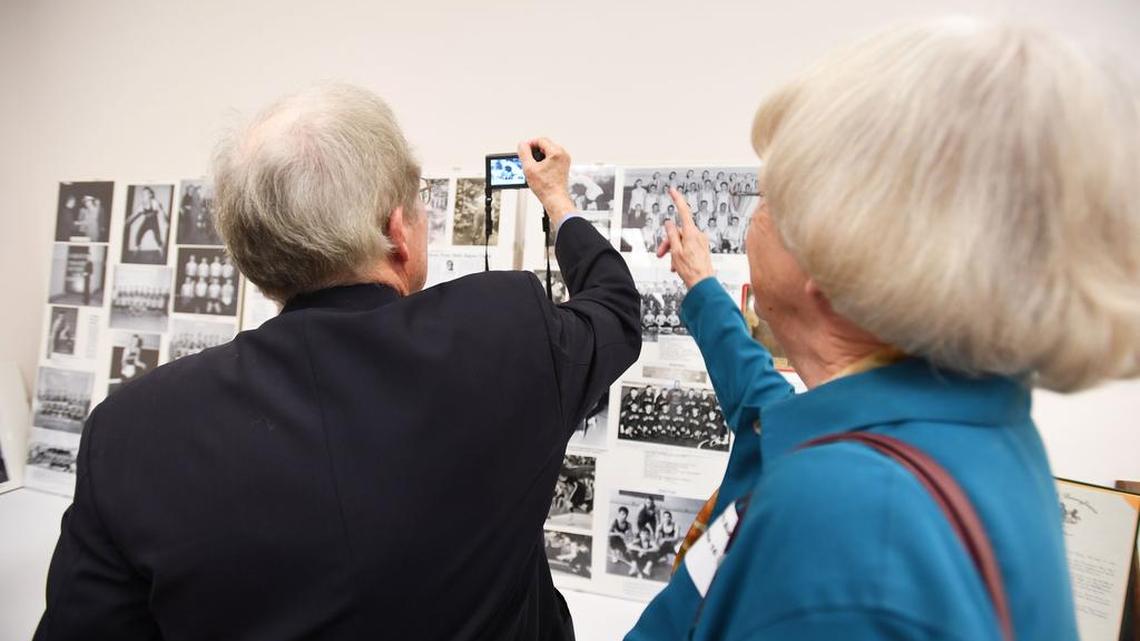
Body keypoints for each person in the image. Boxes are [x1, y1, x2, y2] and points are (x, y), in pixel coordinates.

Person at [34, 84, 641, 641]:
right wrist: (557, 199)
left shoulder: (132, 431)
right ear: (397, 232)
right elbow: (613, 310)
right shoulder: (506, 333)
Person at [626, 20, 1139, 641]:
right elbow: (767, 410)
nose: (751, 219)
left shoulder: (845, 516)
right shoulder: (967, 424)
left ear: (831, 257)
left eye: (769, 196)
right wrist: (704, 288)